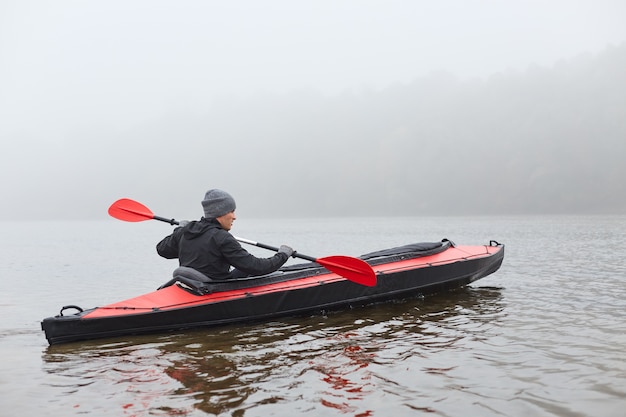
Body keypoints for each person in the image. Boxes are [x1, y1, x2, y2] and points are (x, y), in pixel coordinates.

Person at [156, 189, 294, 280]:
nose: (234, 217)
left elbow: (162, 249)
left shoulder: (187, 231)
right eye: (232, 211)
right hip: (214, 288)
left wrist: (179, 229)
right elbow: (256, 267)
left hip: (190, 283)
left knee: (243, 268)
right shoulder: (222, 238)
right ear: (220, 213)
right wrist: (282, 255)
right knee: (247, 270)